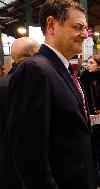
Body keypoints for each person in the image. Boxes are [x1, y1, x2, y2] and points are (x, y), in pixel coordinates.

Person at [6, 1, 97, 189]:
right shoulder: (34, 70)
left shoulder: (63, 69)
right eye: (78, 27)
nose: (84, 35)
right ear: (51, 25)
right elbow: (30, 155)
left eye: (85, 28)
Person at [0, 37, 40, 189]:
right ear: (33, 53)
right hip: (32, 167)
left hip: (7, 166)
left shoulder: (3, 84)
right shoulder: (36, 84)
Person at [80, 55, 100, 189]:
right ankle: (91, 177)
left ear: (99, 65)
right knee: (88, 150)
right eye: (88, 63)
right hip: (86, 119)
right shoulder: (83, 80)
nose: (88, 65)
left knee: (99, 150)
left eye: (92, 63)